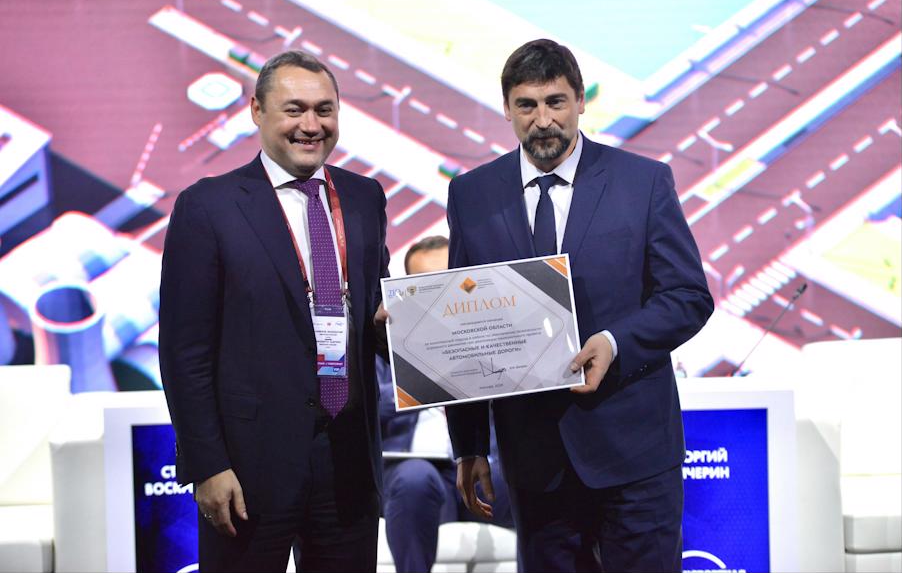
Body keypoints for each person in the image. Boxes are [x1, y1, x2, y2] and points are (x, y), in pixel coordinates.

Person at [445, 39, 714, 573]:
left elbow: (688, 296)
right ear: (506, 108)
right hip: (533, 459)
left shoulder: (643, 181)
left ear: (581, 101)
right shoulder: (471, 194)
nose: (543, 120)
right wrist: (469, 445)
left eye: (556, 102)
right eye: (527, 105)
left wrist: (615, 343)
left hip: (634, 452)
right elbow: (466, 323)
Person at [159, 50, 390, 572]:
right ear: (256, 112)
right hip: (247, 467)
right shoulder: (208, 206)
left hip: (349, 461)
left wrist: (407, 326)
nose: (311, 125)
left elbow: (372, 310)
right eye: (294, 110)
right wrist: (207, 465)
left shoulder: (364, 197)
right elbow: (184, 352)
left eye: (324, 110)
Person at [377, 236, 513, 573]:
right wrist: (421, 382)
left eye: (448, 278)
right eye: (427, 283)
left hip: (489, 469)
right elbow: (368, 405)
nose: (440, 292)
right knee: (414, 479)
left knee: (533, 476)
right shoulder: (384, 341)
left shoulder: (496, 334)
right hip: (414, 468)